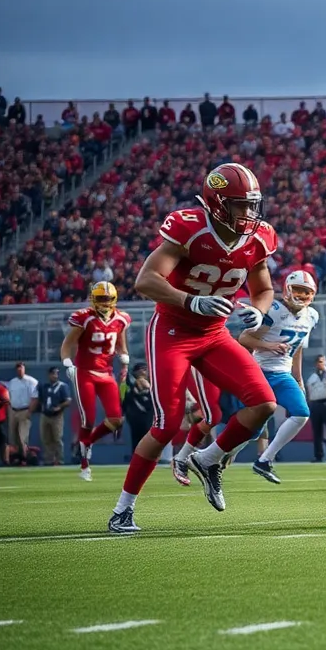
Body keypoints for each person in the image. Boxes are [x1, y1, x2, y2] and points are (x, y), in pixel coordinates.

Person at [108, 163, 278, 532]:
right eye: (240, 205)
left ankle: (209, 459)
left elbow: (264, 289)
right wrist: (189, 301)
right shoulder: (190, 227)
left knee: (264, 404)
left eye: (252, 205)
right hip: (172, 330)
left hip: (215, 334)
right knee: (167, 423)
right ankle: (123, 508)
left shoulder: (259, 237)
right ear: (218, 203)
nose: (249, 213)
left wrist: (258, 312)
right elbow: (146, 280)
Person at [238, 270, 320, 483]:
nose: (301, 296)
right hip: (260, 372)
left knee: (301, 413)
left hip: (283, 374)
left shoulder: (311, 316)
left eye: (306, 292)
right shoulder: (273, 310)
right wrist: (269, 345)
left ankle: (264, 460)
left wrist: (298, 378)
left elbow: (298, 347)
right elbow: (244, 338)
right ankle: (215, 456)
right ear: (287, 289)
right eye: (298, 290)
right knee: (251, 430)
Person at [60, 281, 132, 480]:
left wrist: (124, 356)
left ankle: (87, 442)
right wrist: (67, 363)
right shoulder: (83, 318)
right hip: (85, 372)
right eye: (100, 298)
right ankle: (85, 466)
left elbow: (121, 346)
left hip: (107, 373)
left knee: (116, 420)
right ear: (93, 298)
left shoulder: (121, 319)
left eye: (107, 298)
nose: (104, 302)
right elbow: (67, 345)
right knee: (88, 419)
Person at [305, 355, 326, 461]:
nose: (321, 364)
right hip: (316, 404)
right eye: (319, 362)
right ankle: (318, 455)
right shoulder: (312, 378)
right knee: (317, 431)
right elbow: (309, 392)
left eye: (322, 361)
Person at [38, 367, 72, 465]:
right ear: (49, 375)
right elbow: (41, 399)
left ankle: (60, 460)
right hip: (45, 415)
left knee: (57, 438)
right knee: (46, 438)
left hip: (56, 416)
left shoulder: (62, 386)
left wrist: (59, 407)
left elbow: (68, 401)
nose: (55, 375)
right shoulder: (45, 386)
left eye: (56, 374)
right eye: (53, 374)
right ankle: (49, 459)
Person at [7, 363, 38, 465]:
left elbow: (35, 398)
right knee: (14, 436)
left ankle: (25, 457)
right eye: (18, 369)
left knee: (22, 436)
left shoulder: (31, 381)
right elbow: (9, 398)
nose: (20, 370)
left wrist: (30, 411)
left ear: (24, 369)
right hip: (13, 410)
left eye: (21, 368)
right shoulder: (12, 382)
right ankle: (20, 457)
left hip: (24, 410)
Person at [122, 364, 154, 451]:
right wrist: (122, 414)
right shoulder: (130, 386)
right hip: (135, 416)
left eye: (146, 369)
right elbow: (124, 401)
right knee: (136, 438)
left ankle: (148, 458)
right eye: (142, 369)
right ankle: (136, 459)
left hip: (149, 416)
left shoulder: (153, 385)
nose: (145, 371)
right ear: (136, 372)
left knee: (148, 438)